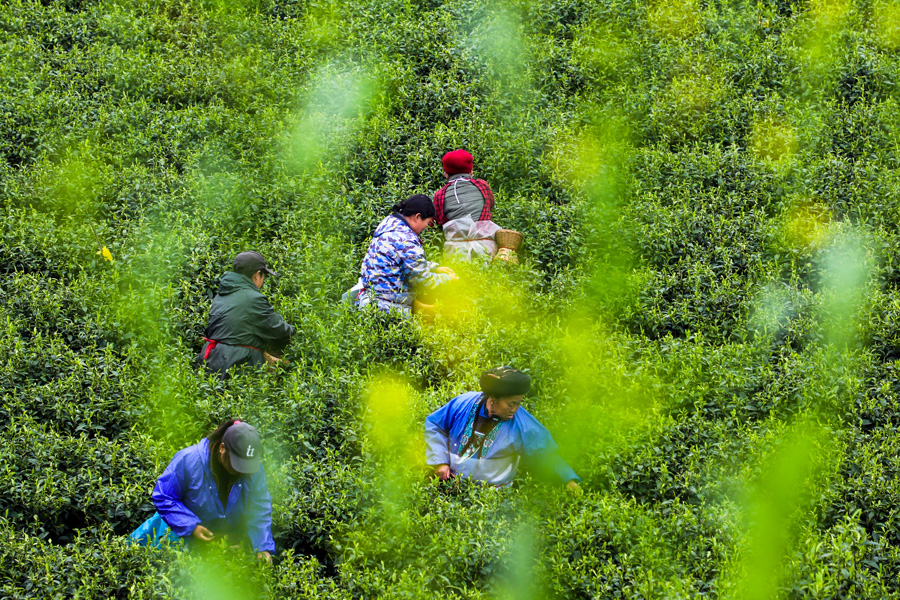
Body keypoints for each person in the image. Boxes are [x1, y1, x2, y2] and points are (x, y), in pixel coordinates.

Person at [129, 420, 275, 562]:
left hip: (220, 545)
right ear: (222, 448)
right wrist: (191, 527)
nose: (241, 470)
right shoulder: (189, 460)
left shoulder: (253, 470)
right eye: (237, 462)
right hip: (177, 536)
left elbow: (259, 508)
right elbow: (164, 496)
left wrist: (262, 547)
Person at [424, 367, 581, 489]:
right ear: (493, 398)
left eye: (518, 403)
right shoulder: (463, 404)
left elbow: (545, 453)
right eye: (511, 404)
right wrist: (440, 462)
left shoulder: (522, 423)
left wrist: (568, 479)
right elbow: (435, 425)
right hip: (452, 486)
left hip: (493, 498)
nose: (515, 409)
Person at [354, 194, 457, 314]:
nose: (426, 227)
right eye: (427, 222)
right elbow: (422, 280)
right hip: (389, 310)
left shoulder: (389, 227)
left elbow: (401, 261)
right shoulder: (405, 239)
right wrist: (448, 279)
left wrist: (434, 267)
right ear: (417, 217)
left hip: (370, 304)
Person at [200, 251, 294, 376]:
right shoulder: (253, 298)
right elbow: (278, 331)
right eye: (263, 276)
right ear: (257, 275)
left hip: (211, 359)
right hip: (236, 362)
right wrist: (295, 331)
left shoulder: (221, 295)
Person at [432, 149, 501, 259]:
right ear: (471, 171)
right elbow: (491, 204)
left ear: (446, 174)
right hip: (487, 248)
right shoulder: (482, 185)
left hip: (455, 251)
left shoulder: (440, 195)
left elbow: (437, 222)